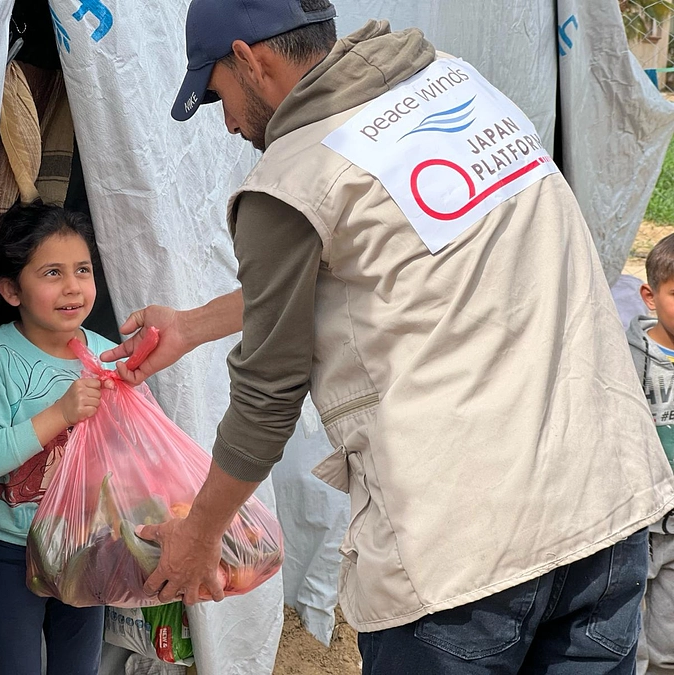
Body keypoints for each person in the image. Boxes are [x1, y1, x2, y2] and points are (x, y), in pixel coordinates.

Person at [100, 0, 674, 672]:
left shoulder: (291, 176)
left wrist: (198, 536)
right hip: (602, 507)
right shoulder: (456, 87)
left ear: (250, 59)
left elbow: (267, 394)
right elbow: (375, 264)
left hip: (462, 557)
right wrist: (194, 325)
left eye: (216, 93)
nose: (225, 122)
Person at [0, 202, 117, 675]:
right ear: (12, 289)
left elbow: (127, 453)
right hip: (10, 549)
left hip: (85, 545)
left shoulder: (105, 355)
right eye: (52, 273)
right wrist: (61, 412)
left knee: (80, 667)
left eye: (82, 270)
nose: (73, 287)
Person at [628, 234, 674, 675]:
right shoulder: (625, 359)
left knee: (669, 638)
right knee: (626, 633)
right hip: (638, 522)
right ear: (651, 295)